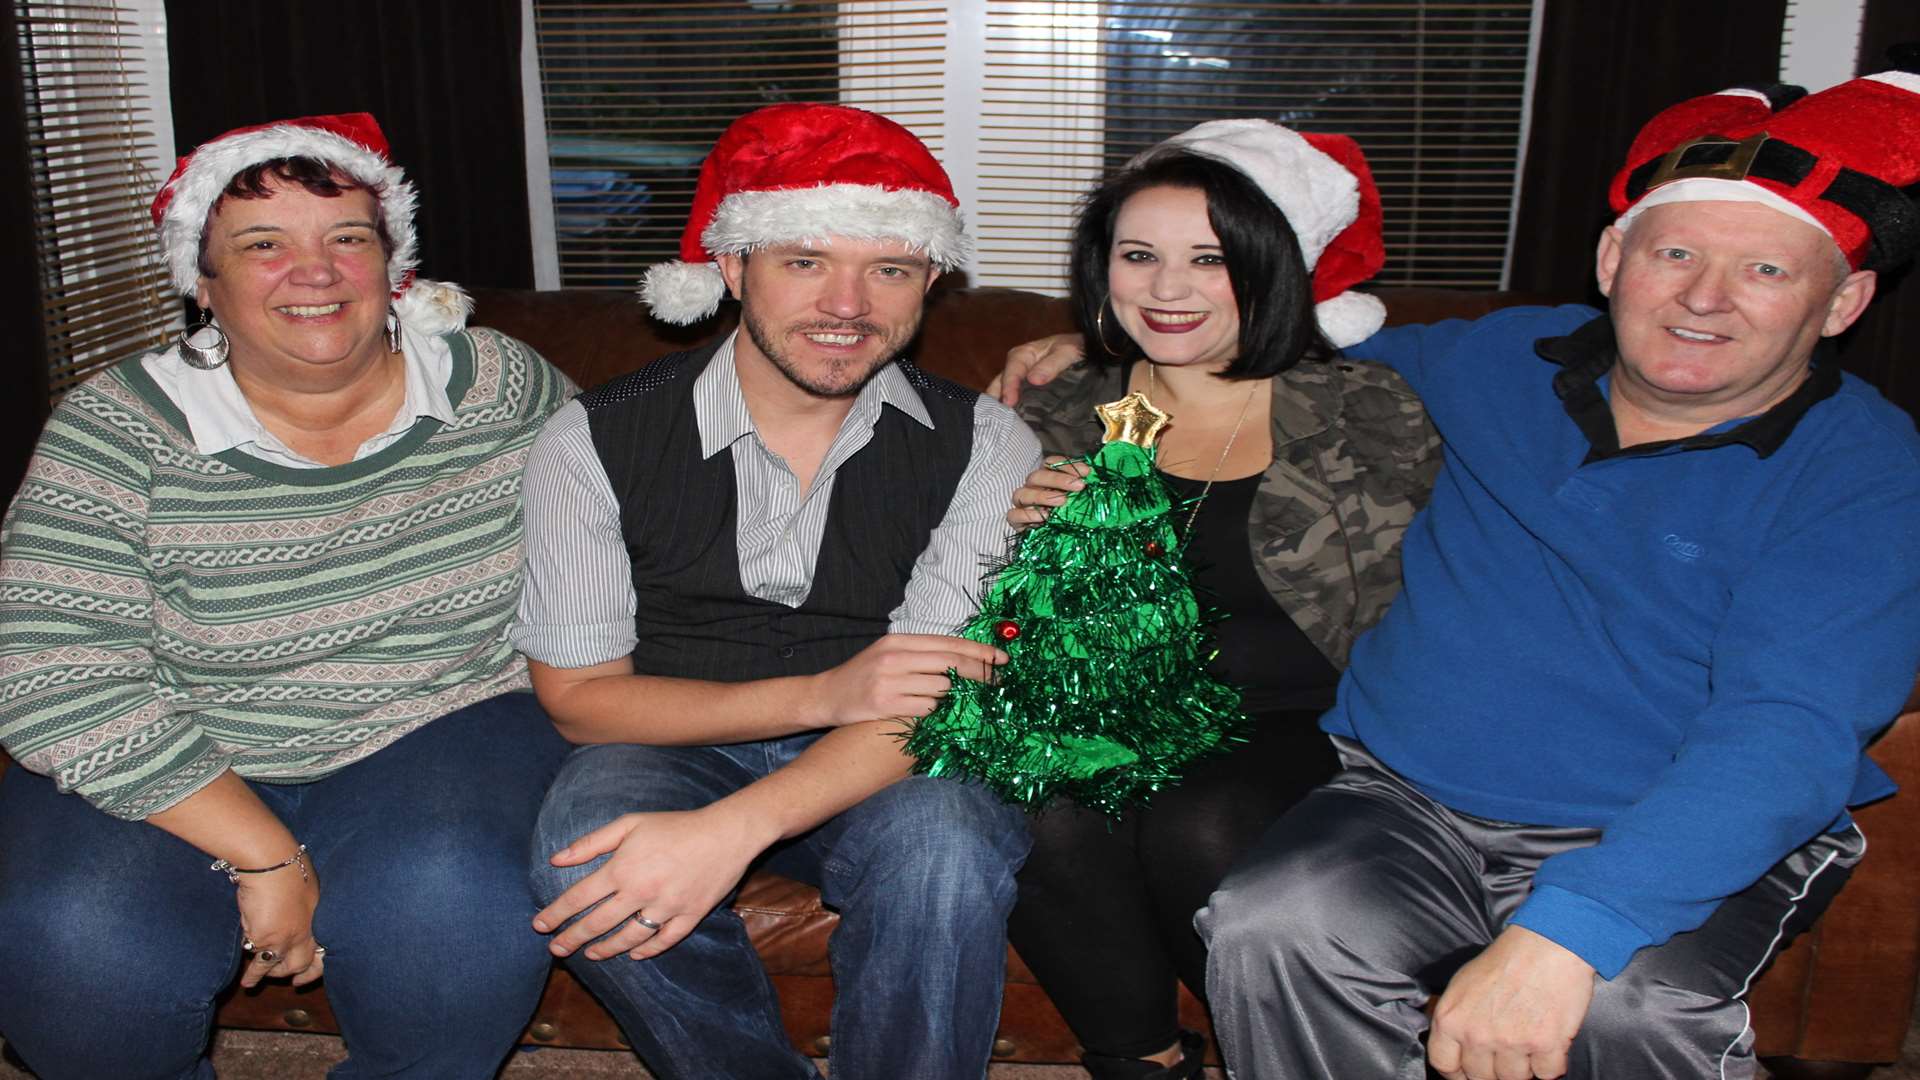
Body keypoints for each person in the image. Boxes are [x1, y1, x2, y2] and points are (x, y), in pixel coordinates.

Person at [1001, 73, 1920, 1080]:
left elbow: (1790, 729)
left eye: (1766, 272)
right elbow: (1264, 335)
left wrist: (1575, 930)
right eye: (1677, 253)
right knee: (1269, 922)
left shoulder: (1866, 471)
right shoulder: (1487, 363)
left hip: (1654, 818)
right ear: (1615, 258)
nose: (1704, 297)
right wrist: (1091, 344)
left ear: (1845, 301)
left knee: (1627, 1009)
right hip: (1406, 801)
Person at [0, 113, 576, 1078]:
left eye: (346, 238)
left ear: (392, 264)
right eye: (261, 245)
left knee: (449, 924)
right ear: (201, 280)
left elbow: (630, 541)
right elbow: (55, 674)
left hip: (444, 720)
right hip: (185, 733)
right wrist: (266, 858)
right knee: (73, 949)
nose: (315, 272)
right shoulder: (114, 427)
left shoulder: (503, 386)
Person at [513, 103, 1041, 1080]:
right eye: (804, 261)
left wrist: (744, 823)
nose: (848, 304)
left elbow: (932, 697)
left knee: (947, 851)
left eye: (888, 268)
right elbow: (580, 699)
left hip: (893, 752)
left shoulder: (988, 443)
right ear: (731, 268)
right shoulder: (595, 438)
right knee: (579, 853)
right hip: (672, 732)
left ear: (929, 281)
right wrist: (816, 697)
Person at [998, 120, 1438, 1080]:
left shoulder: (1371, 405)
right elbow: (989, 620)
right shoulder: (1058, 411)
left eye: (1209, 259)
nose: (1166, 288)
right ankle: (1144, 1060)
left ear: (1269, 269)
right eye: (1139, 256)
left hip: (1319, 716)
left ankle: (1298, 1048)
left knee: (1203, 811)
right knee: (1041, 793)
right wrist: (1021, 544)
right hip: (1133, 702)